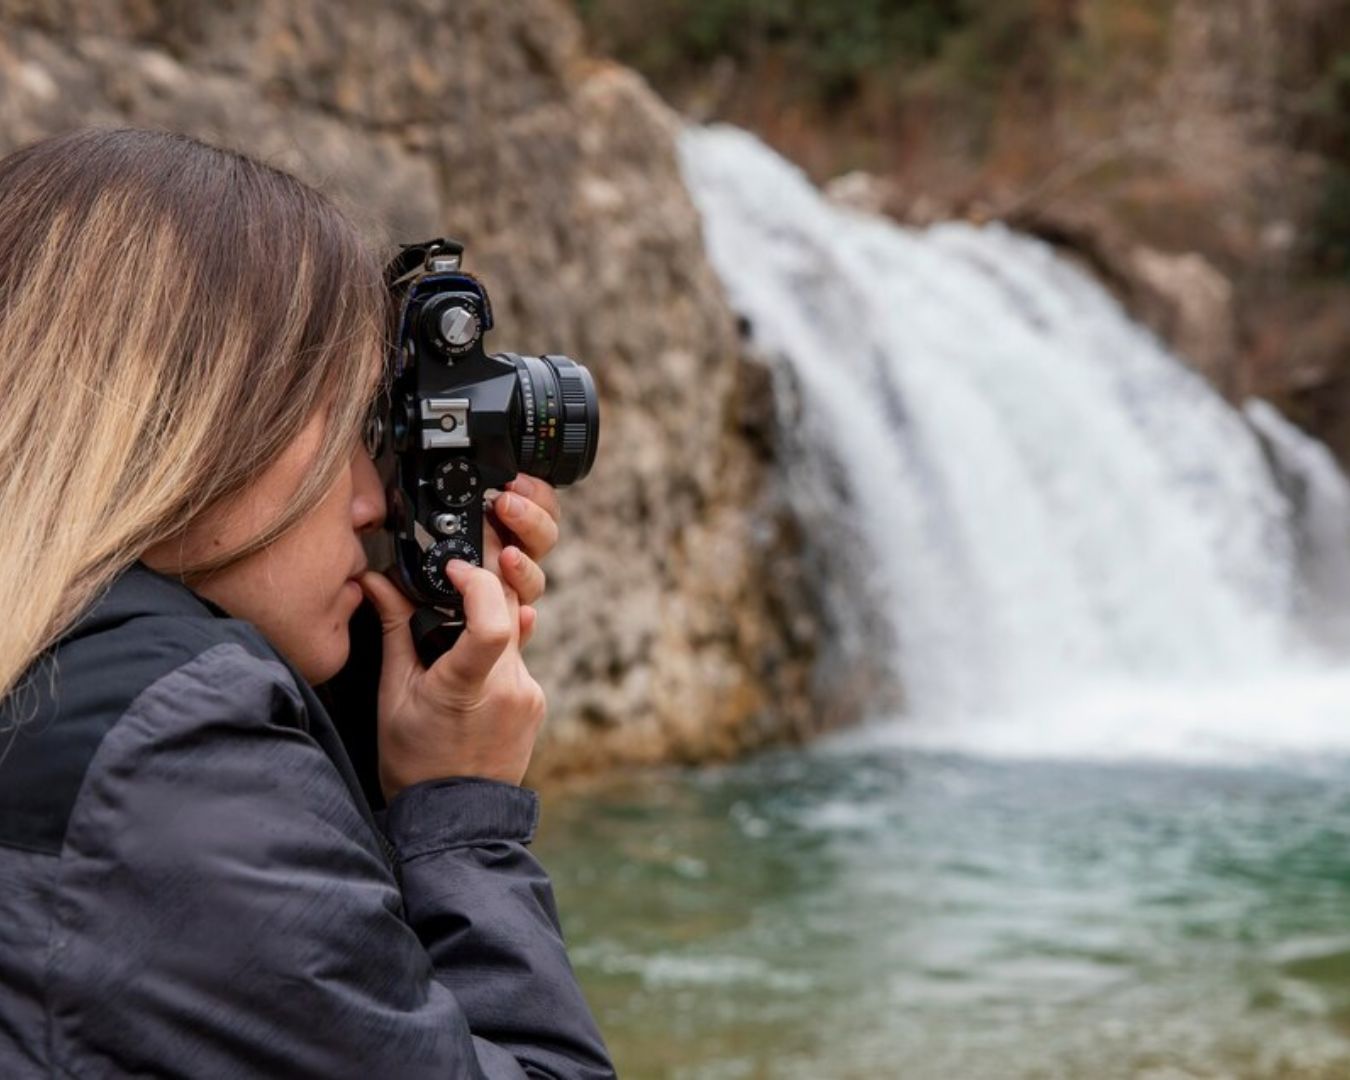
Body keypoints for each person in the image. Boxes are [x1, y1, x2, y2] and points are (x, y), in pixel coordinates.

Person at [0, 127, 616, 1078]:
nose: (372, 500)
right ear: (184, 425)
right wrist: (460, 809)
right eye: (340, 429)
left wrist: (372, 683)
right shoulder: (175, 760)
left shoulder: (60, 686)